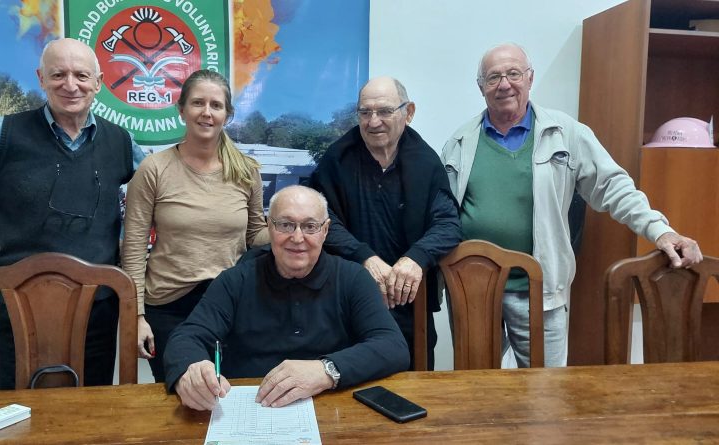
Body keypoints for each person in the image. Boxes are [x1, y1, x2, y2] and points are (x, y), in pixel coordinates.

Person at [441, 43, 703, 367]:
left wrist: (660, 231)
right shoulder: (458, 143)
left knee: (545, 393)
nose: (504, 84)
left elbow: (613, 187)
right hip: (474, 289)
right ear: (481, 87)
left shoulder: (566, 134)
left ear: (530, 78)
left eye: (513, 73)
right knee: (473, 387)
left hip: (539, 290)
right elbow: (442, 216)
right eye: (493, 77)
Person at [0, 38, 146, 389]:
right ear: (41, 78)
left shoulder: (121, 142)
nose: (71, 85)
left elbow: (162, 189)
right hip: (19, 303)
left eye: (81, 75)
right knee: (14, 412)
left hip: (99, 309)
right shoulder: (2, 135)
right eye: (59, 74)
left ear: (99, 82)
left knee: (91, 413)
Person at [164, 185, 409, 410]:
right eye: (286, 225)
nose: (298, 237)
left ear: (325, 231)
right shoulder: (234, 280)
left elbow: (392, 346)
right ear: (269, 227)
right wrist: (191, 370)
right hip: (249, 408)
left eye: (310, 226)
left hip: (332, 409)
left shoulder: (353, 278)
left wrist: (326, 370)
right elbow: (187, 337)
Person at [122, 69, 269, 383]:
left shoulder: (246, 171)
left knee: (231, 395)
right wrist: (136, 317)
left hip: (231, 305)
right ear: (181, 110)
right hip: (168, 308)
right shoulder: (154, 169)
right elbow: (133, 249)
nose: (207, 112)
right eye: (198, 103)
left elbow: (256, 235)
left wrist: (293, 226)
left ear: (227, 115)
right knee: (182, 400)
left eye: (216, 105)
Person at [309, 77, 462, 369]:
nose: (373, 121)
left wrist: (416, 259)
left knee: (414, 388)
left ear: (409, 112)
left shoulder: (426, 161)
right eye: (365, 112)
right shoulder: (337, 159)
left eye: (384, 111)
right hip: (349, 300)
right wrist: (365, 257)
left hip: (411, 302)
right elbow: (322, 221)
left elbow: (448, 223)